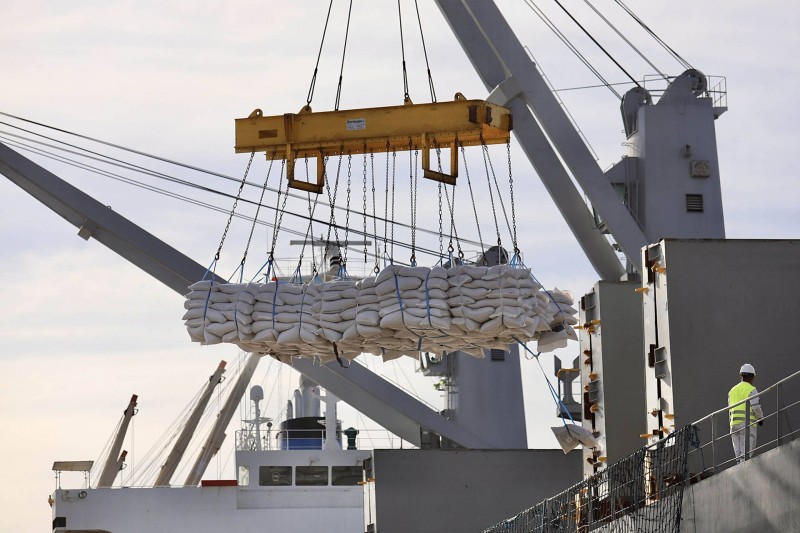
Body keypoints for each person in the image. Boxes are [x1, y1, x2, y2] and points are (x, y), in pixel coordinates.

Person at [728, 363, 764, 463]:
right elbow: (756, 406)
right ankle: (743, 469)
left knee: (738, 452)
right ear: (752, 377)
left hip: (733, 425)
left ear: (741, 376)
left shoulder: (732, 391)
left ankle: (739, 466)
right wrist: (760, 419)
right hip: (746, 424)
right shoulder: (751, 389)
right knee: (747, 451)